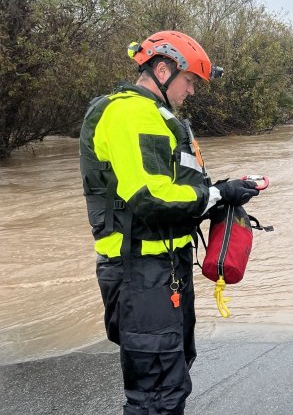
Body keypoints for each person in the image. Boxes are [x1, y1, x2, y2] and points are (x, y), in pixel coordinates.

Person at [79, 30, 260, 414]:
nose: (192, 91)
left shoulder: (157, 118)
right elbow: (152, 198)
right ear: (163, 69)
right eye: (190, 80)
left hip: (164, 269)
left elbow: (179, 191)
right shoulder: (129, 112)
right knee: (156, 393)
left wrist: (227, 191)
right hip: (141, 271)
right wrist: (219, 194)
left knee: (172, 376)